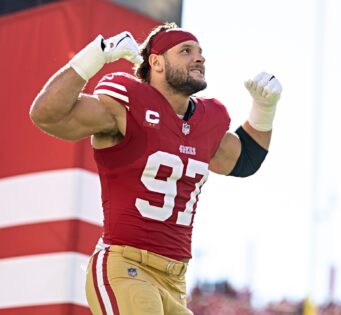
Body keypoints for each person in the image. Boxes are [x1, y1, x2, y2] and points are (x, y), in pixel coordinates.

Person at [30, 22, 282, 315]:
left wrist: (264, 111)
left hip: (175, 281)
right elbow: (47, 114)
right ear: (156, 62)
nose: (199, 58)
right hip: (127, 266)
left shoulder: (206, 120)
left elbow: (244, 160)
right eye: (186, 51)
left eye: (200, 52)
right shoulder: (126, 105)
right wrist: (95, 56)